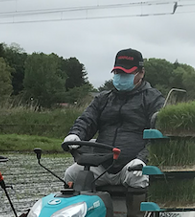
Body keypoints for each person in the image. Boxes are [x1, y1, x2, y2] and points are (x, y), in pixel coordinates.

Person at [63, 48, 165, 190]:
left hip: (132, 165)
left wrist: (142, 159)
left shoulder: (153, 99)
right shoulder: (103, 99)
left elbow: (159, 134)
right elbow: (87, 120)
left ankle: (137, 206)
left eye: (126, 73)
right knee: (71, 174)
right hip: (101, 165)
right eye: (118, 73)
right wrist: (75, 134)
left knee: (138, 176)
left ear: (141, 73)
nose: (121, 76)